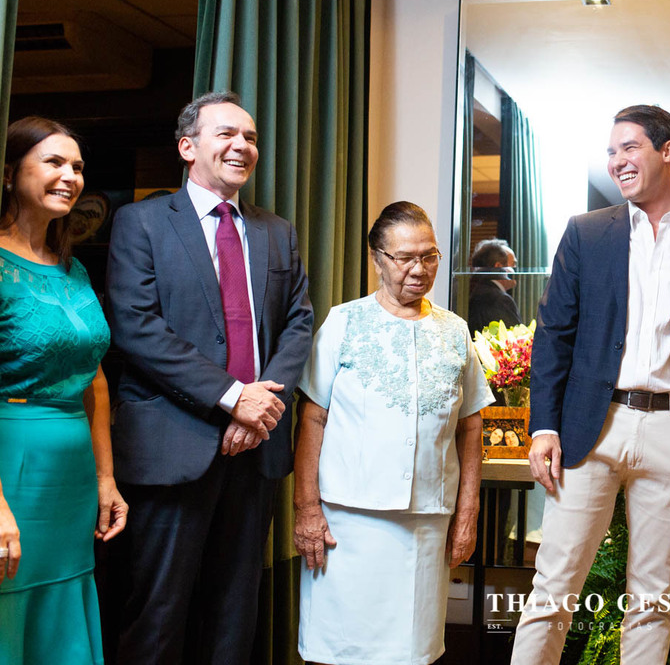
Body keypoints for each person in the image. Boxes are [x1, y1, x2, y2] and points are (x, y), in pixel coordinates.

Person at [509, 104, 670, 664]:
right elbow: (554, 335)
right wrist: (544, 426)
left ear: (667, 151)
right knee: (553, 586)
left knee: (651, 598)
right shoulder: (586, 233)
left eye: (629, 148)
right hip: (590, 429)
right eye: (611, 152)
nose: (616, 161)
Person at [105, 92, 314, 664]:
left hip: (256, 451)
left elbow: (298, 322)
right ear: (187, 147)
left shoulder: (277, 231)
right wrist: (232, 397)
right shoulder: (141, 222)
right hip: (173, 447)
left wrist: (261, 406)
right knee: (158, 615)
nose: (242, 146)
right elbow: (136, 326)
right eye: (227, 134)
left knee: (234, 614)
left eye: (250, 137)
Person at [291, 200, 492, 665]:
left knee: (412, 651)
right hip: (347, 523)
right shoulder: (344, 322)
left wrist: (467, 513)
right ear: (377, 259)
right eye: (404, 258)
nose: (419, 269)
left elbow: (471, 425)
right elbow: (312, 418)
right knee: (339, 649)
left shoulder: (455, 331)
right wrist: (306, 509)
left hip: (426, 523)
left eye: (429, 256)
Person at [0, 117, 127, 664]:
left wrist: (105, 479)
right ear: (10, 173)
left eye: (77, 166)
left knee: (62, 613)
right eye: (53, 162)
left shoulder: (72, 269)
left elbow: (94, 377)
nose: (71, 176)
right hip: (14, 468)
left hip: (72, 478)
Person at [468, 237, 521, 334]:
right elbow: (513, 338)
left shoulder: (477, 291)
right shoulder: (498, 300)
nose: (515, 270)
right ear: (498, 267)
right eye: (513, 264)